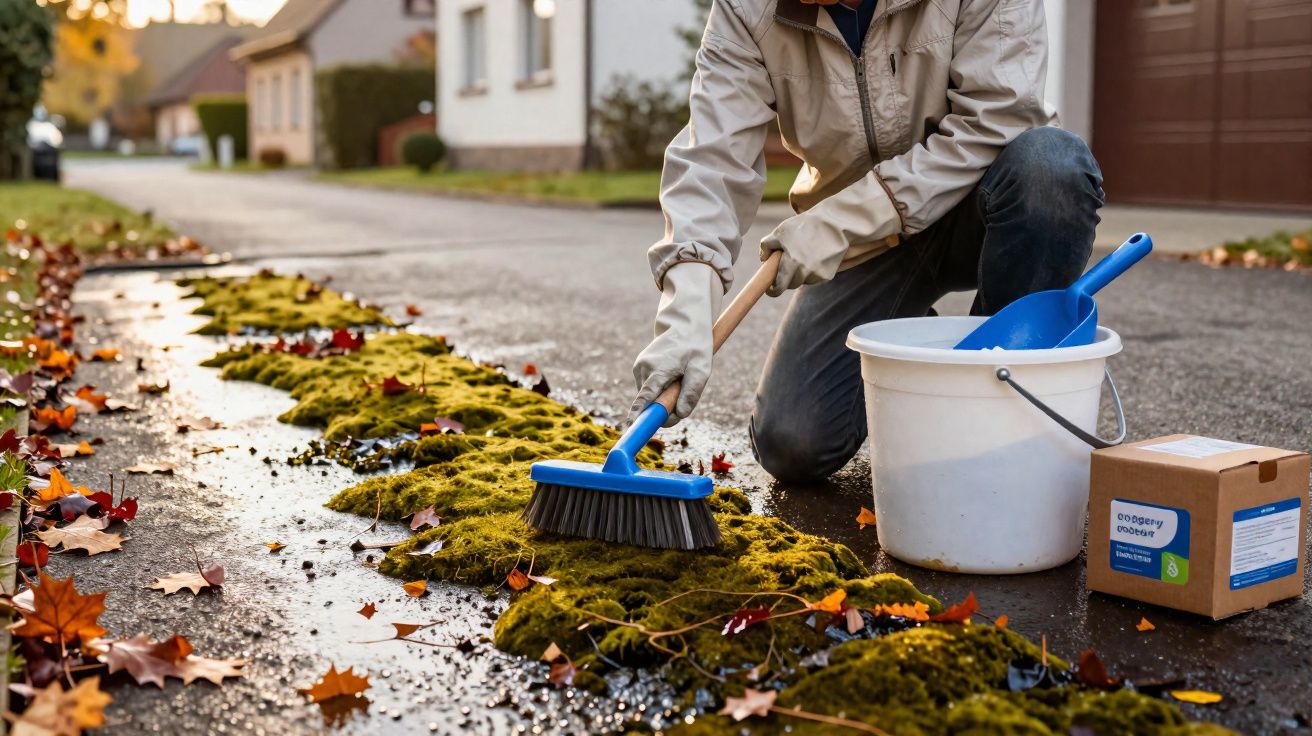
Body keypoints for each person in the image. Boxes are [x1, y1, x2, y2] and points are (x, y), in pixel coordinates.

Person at [630, 0, 1104, 483]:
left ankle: (1002, 415)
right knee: (793, 443)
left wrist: (839, 223)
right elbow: (713, 158)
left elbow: (998, 117)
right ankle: (913, 338)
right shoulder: (747, 9)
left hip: (983, 205)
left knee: (1052, 169)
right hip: (867, 240)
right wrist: (687, 305)